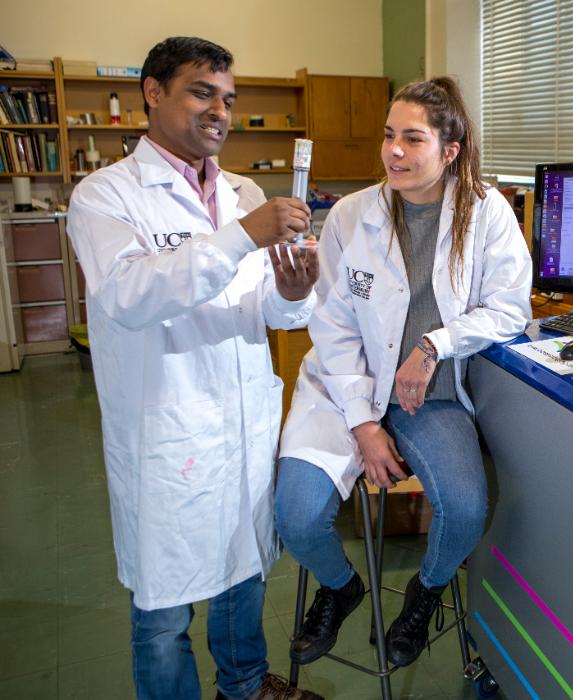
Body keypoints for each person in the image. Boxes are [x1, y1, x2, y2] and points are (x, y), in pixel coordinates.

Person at [67, 37, 322, 700]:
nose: (220, 111)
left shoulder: (242, 190)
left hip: (242, 419)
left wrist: (293, 290)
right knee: (164, 603)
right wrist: (243, 234)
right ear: (153, 92)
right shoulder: (105, 196)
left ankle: (242, 685)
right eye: (202, 92)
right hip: (168, 428)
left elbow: (272, 311)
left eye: (229, 99)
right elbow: (129, 295)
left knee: (244, 572)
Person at [275, 76, 532, 669]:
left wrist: (435, 344)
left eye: (412, 139)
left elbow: (510, 308)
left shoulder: (487, 212)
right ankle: (342, 588)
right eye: (389, 136)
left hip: (430, 395)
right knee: (295, 518)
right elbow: (334, 326)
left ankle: (426, 592)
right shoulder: (350, 215)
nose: (393, 150)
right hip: (342, 388)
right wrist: (364, 426)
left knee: (466, 509)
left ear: (451, 149)